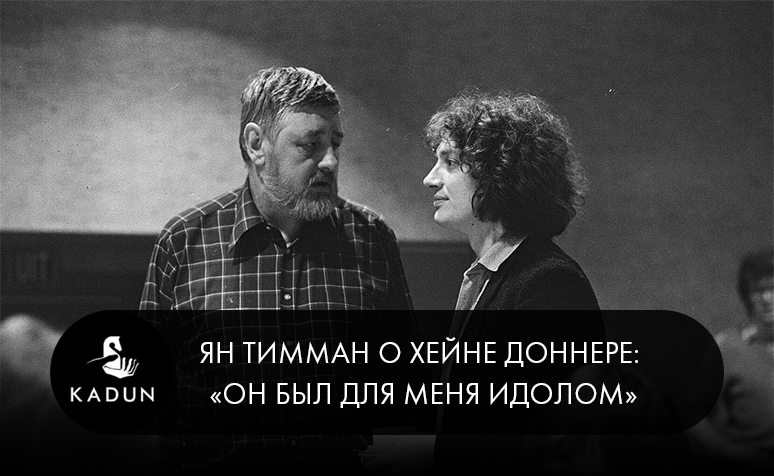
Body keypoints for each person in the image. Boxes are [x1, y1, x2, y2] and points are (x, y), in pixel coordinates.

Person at [139, 66, 416, 472]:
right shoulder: (183, 242)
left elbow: (405, 388)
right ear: (256, 144)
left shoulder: (371, 239)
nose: (330, 162)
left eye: (336, 144)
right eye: (311, 145)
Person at [361, 91, 599, 473]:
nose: (429, 179)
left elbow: (545, 438)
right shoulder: (491, 275)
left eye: (449, 162)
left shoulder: (550, 283)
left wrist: (425, 453)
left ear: (498, 173)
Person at [686, 246, 774, 471]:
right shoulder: (727, 348)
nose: (766, 298)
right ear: (747, 295)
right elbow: (692, 415)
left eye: (773, 288)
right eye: (758, 290)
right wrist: (728, 451)